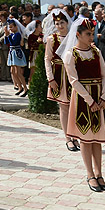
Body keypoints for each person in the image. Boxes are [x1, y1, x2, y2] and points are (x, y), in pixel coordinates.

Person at [58, 17, 105, 192]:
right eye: (88, 34)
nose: (91, 37)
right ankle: (90, 174)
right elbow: (74, 81)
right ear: (78, 35)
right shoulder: (71, 55)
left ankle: (100, 174)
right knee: (85, 138)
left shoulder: (96, 52)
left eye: (92, 34)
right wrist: (90, 101)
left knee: (97, 139)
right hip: (83, 100)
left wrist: (103, 98)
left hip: (99, 97)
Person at [45, 9, 78, 151]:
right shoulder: (52, 39)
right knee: (64, 107)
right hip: (59, 75)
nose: (59, 26)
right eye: (57, 23)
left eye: (62, 23)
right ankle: (67, 138)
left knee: (75, 107)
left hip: (72, 75)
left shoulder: (74, 37)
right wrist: (50, 78)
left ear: (67, 23)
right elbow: (47, 59)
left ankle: (75, 135)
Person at [2, 19, 28, 96]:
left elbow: (14, 42)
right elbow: (6, 42)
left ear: (16, 27)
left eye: (12, 27)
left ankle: (25, 88)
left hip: (17, 52)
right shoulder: (12, 34)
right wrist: (6, 36)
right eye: (9, 27)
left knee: (18, 72)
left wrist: (8, 36)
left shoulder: (17, 34)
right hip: (12, 52)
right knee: (12, 72)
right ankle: (19, 87)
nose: (10, 29)